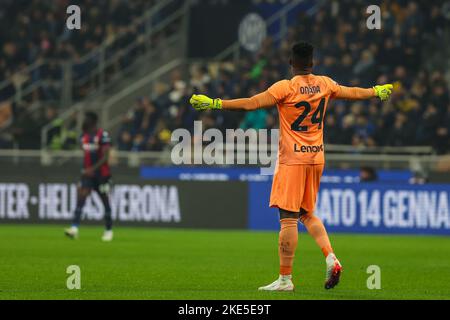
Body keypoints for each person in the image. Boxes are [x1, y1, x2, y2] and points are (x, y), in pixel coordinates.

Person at [190, 42, 393, 291]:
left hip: (293, 160)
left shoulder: (285, 87)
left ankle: (285, 279)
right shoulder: (325, 84)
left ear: (291, 63)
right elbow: (351, 92)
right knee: (306, 213)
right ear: (313, 62)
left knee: (288, 217)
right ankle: (331, 257)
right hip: (316, 157)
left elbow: (251, 103)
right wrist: (376, 91)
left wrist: (214, 103)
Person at [64, 112, 114, 242]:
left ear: (93, 120)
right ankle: (74, 229)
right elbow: (86, 155)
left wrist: (92, 169)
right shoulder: (83, 137)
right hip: (87, 175)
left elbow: (105, 157)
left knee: (105, 201)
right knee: (81, 198)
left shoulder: (103, 135)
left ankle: (108, 230)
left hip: (102, 175)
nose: (84, 121)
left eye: (86, 118)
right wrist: (85, 171)